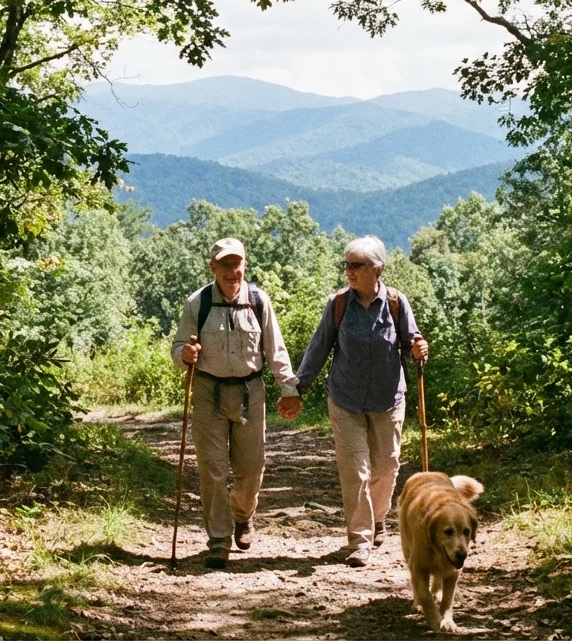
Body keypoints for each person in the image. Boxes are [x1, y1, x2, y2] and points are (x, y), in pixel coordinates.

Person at [280, 235, 429, 567]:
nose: (349, 271)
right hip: (345, 400)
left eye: (356, 265)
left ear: (377, 269)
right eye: (346, 264)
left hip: (389, 399)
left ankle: (377, 518)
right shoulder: (339, 304)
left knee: (386, 467)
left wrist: (419, 348)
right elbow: (318, 348)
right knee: (355, 472)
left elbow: (412, 341)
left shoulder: (395, 302)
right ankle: (360, 540)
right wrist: (296, 390)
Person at [172, 237, 300, 569]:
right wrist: (184, 355)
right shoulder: (197, 303)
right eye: (225, 265)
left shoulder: (258, 301)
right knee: (212, 469)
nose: (233, 271)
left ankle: (243, 515)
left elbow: (275, 349)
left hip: (249, 393)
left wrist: (289, 388)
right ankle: (218, 540)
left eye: (237, 264)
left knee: (251, 467)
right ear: (213, 267)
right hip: (207, 391)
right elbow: (178, 348)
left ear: (245, 264)